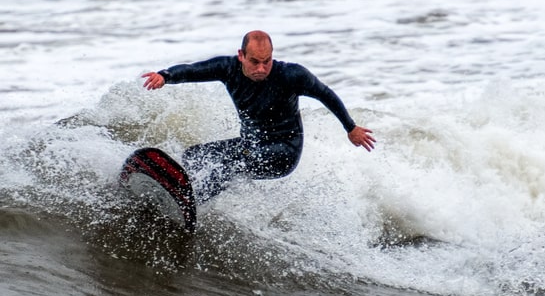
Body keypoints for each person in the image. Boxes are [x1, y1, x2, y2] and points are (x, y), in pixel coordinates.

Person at [141, 30, 375, 202]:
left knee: (231, 164)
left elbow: (326, 94)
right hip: (251, 145)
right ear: (241, 55)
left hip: (283, 152)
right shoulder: (227, 68)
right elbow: (193, 70)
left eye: (267, 61)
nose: (261, 69)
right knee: (195, 154)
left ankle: (192, 201)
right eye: (254, 61)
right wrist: (165, 76)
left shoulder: (292, 75)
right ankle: (181, 191)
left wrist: (350, 128)